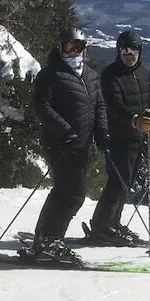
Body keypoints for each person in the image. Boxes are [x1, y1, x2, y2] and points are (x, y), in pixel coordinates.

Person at [28, 27, 109, 261]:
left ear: (85, 50)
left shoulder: (91, 76)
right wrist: (64, 131)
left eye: (79, 47)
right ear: (60, 48)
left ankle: (44, 239)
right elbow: (42, 107)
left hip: (83, 146)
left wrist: (102, 133)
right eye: (68, 47)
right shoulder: (51, 74)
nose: (74, 52)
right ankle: (49, 240)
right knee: (72, 194)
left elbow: (99, 106)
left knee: (65, 192)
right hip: (60, 145)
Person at [89, 29, 150, 245]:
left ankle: (111, 223)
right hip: (117, 137)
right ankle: (101, 227)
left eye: (133, 49)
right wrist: (133, 120)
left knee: (126, 183)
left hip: (136, 138)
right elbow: (113, 106)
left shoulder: (142, 72)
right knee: (117, 183)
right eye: (124, 49)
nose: (129, 54)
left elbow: (149, 106)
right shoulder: (110, 74)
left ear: (140, 51)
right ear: (118, 51)